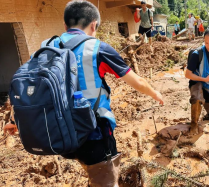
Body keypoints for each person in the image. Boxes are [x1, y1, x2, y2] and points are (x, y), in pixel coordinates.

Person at [4, 1, 164, 186]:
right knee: (105, 180)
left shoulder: (45, 47)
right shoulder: (98, 48)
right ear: (94, 24)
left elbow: (29, 86)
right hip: (93, 135)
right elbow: (137, 81)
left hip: (57, 134)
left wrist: (15, 121)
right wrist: (155, 94)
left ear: (65, 26)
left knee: (89, 169)